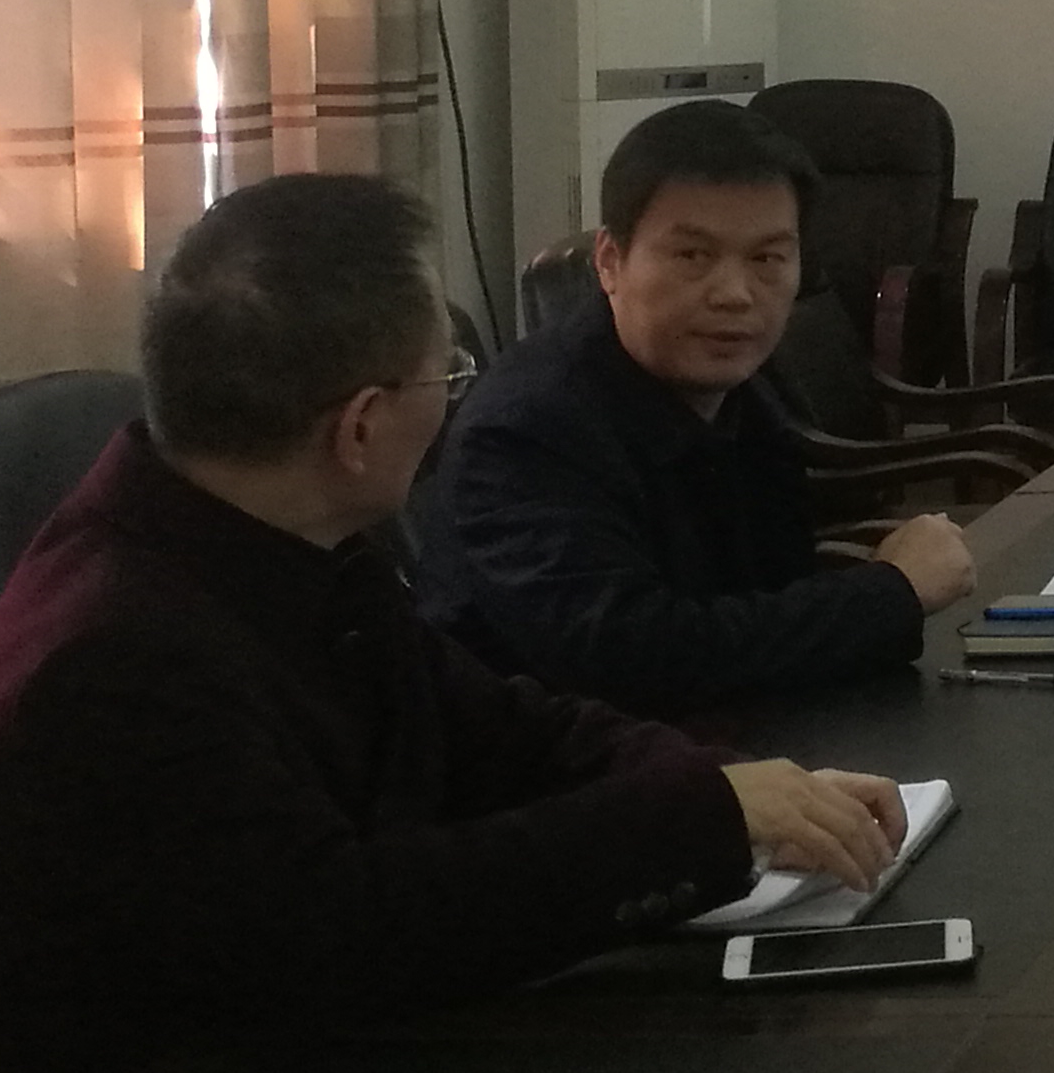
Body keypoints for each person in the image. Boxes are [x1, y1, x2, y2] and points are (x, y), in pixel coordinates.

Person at [0, 174, 908, 1073]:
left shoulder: (274, 536)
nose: (453, 405)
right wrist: (691, 820)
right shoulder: (111, 661)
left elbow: (498, 727)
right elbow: (348, 930)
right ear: (360, 427)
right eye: (446, 379)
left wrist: (724, 790)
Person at [412, 99, 975, 713]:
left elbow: (762, 598)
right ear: (610, 262)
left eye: (767, 258)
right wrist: (891, 592)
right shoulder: (525, 429)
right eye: (692, 256)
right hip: (562, 762)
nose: (735, 295)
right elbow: (635, 657)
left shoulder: (740, 388)